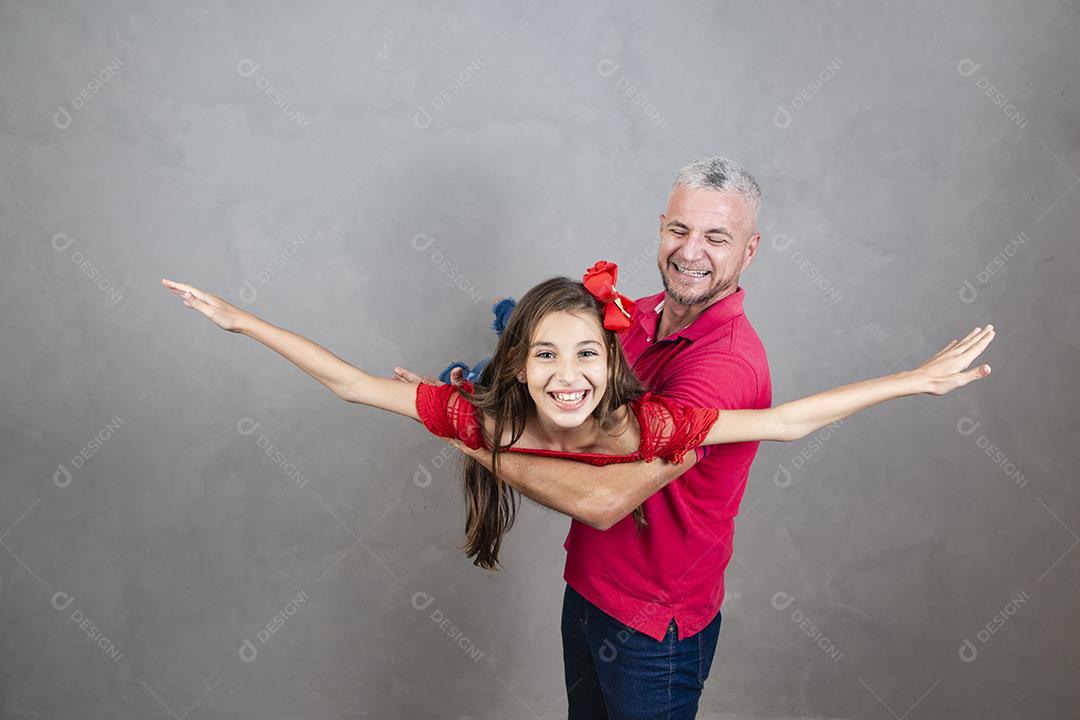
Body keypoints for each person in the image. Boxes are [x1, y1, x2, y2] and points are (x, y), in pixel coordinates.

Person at [162, 254, 994, 718]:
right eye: (548, 357)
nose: (570, 377)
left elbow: (785, 422)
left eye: (589, 354)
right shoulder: (486, 417)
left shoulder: (650, 428)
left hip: (663, 615)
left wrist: (913, 381)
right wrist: (242, 322)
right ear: (519, 368)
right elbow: (349, 384)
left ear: (615, 362)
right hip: (595, 595)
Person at [389, 157, 995, 719]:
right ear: (661, 227)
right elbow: (563, 402)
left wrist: (462, 431)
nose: (690, 252)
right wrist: (477, 392)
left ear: (750, 250)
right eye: (679, 230)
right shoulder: (631, 317)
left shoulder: (727, 365)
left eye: (717, 238)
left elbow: (604, 500)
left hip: (654, 628)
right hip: (590, 588)